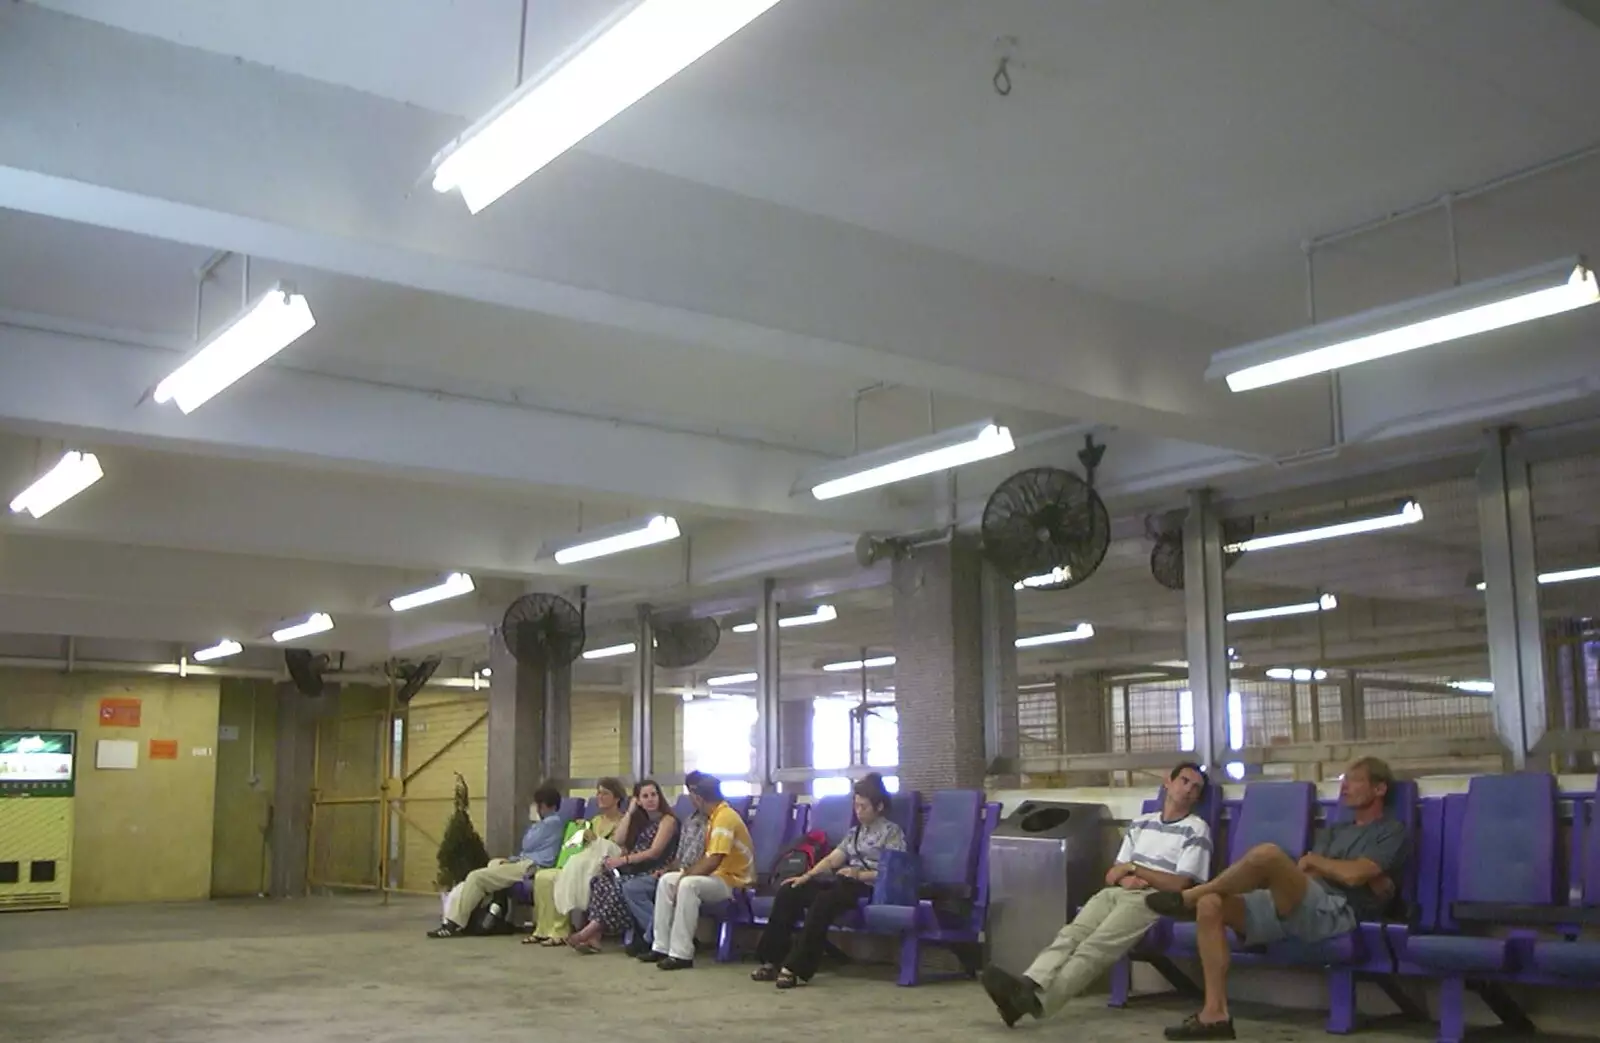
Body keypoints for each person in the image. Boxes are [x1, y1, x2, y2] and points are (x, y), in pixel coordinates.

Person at [1148, 757, 1410, 1041]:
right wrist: (1338, 868)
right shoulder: (1336, 830)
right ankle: (1215, 1014)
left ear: (1379, 789)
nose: (1344, 787)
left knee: (1268, 855)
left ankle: (1187, 896)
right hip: (1300, 901)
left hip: (1336, 911)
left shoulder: (1391, 831)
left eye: (1354, 780)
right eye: (1342, 780)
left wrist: (1326, 864)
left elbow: (1352, 877)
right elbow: (1307, 868)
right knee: (1211, 905)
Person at [980, 762, 1213, 1026]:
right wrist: (1126, 876)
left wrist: (1136, 869)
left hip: (1154, 899)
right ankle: (1029, 982)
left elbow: (1180, 884)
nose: (1189, 790)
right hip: (1119, 891)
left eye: (1196, 788)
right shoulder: (1141, 824)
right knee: (1071, 934)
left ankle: (1039, 1001)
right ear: (1167, 783)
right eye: (1184, 781)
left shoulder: (1197, 829)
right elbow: (1113, 874)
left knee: (1095, 947)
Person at [751, 772, 905, 988]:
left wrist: (860, 875)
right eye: (856, 806)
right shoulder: (855, 832)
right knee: (790, 891)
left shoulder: (892, 833)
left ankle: (795, 968)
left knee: (823, 901)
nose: (858, 812)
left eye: (864, 807)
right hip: (843, 881)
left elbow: (895, 872)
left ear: (879, 807)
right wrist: (806, 876)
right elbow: (834, 859)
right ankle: (771, 960)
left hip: (867, 886)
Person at [644, 774, 755, 970]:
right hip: (718, 877)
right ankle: (661, 946)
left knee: (688, 884)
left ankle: (681, 954)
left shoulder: (725, 818)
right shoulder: (715, 816)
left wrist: (686, 876)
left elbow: (713, 860)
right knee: (667, 881)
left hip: (734, 881)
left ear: (698, 798)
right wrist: (681, 874)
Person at [428, 784, 565, 938]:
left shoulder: (552, 823)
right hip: (524, 862)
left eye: (540, 805)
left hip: (533, 867)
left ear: (550, 806)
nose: (538, 809)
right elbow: (528, 849)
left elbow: (528, 843)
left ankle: (451, 924)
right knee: (494, 863)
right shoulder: (545, 824)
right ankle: (493, 910)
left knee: (476, 877)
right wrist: (512, 860)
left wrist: (534, 824)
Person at [566, 778, 679, 955]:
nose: (650, 799)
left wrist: (623, 860)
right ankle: (595, 939)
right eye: (645, 796)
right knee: (600, 881)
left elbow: (654, 852)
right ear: (638, 800)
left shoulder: (667, 820)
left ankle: (590, 930)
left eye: (654, 795)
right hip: (636, 870)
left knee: (619, 886)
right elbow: (618, 840)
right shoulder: (640, 821)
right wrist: (630, 812)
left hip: (655, 871)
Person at [526, 777, 627, 946]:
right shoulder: (594, 821)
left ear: (617, 798)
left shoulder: (622, 822)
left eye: (605, 793)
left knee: (559, 878)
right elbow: (577, 847)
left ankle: (560, 930)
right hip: (583, 862)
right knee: (543, 876)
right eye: (598, 793)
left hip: (602, 866)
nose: (600, 797)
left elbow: (616, 849)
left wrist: (594, 839)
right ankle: (543, 929)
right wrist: (579, 832)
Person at [628, 771, 710, 959]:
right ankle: (660, 941)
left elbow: (705, 857)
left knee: (672, 884)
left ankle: (658, 937)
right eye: (691, 792)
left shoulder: (713, 820)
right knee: (632, 886)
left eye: (653, 794)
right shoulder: (690, 820)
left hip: (703, 874)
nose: (694, 797)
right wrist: (668, 869)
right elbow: (680, 855)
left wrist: (681, 872)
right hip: (677, 870)